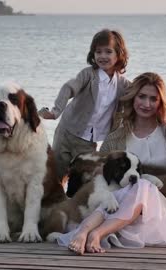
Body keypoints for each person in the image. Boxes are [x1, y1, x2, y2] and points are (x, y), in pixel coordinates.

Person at [57, 72, 166, 255]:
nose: (146, 104)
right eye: (142, 97)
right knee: (131, 186)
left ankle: (95, 232)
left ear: (161, 102)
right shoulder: (115, 139)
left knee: (143, 184)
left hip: (160, 214)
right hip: (121, 217)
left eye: (153, 99)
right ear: (133, 97)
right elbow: (102, 179)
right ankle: (85, 231)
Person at [38, 29, 131, 181]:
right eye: (98, 52)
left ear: (118, 54)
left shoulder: (122, 84)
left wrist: (162, 120)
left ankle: (77, 202)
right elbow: (69, 88)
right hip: (66, 133)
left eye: (108, 51)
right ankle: (51, 202)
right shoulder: (88, 75)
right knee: (56, 174)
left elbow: (141, 93)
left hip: (88, 142)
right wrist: (55, 111)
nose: (102, 56)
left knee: (87, 178)